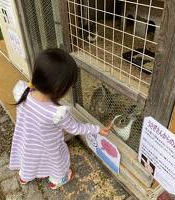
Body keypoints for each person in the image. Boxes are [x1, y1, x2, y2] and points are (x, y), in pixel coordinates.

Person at [9, 48, 110, 190]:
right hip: (49, 149)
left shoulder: (22, 91)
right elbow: (76, 128)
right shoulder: (57, 113)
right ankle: (58, 180)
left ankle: (24, 177)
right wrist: (97, 129)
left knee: (28, 158)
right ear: (59, 88)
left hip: (27, 143)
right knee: (58, 163)